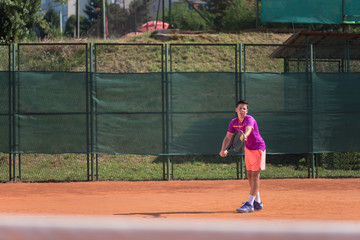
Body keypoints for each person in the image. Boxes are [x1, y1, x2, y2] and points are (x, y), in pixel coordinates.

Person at [219, 100, 266, 213]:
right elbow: (228, 137)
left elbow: (249, 129)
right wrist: (223, 149)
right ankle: (258, 202)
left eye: (244, 109)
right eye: (240, 108)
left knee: (255, 176)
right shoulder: (233, 122)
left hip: (258, 148)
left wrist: (245, 135)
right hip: (248, 149)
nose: (242, 111)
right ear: (236, 110)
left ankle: (250, 204)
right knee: (249, 175)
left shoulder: (250, 119)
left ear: (247, 111)